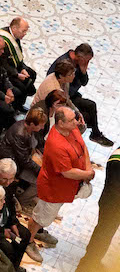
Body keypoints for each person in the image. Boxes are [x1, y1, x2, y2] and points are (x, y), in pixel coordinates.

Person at [33, 105, 95, 246]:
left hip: (68, 187)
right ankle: (28, 240)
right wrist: (87, 174)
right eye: (72, 120)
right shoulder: (56, 144)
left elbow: (82, 146)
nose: (76, 122)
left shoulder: (71, 129)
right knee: (40, 218)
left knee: (45, 216)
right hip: (54, 189)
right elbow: (66, 172)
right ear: (61, 123)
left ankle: (39, 230)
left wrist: (88, 168)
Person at [75, 142, 120, 272]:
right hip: (112, 205)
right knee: (102, 236)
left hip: (115, 205)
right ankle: (84, 268)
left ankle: (95, 260)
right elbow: (115, 188)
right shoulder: (117, 160)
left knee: (106, 236)